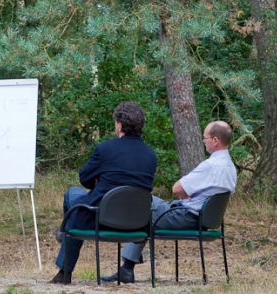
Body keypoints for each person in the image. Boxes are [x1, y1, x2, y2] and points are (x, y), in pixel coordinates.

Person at [101, 120, 237, 284]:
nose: (203, 141)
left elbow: (177, 188)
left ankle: (126, 268)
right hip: (202, 219)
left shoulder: (211, 165)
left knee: (140, 205)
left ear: (215, 140)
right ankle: (126, 269)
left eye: (205, 138)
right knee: (144, 205)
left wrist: (185, 193)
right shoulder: (229, 166)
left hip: (185, 217)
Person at [50, 102, 158, 284]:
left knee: (73, 194)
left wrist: (98, 179)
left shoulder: (105, 149)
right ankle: (65, 231)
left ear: (119, 125)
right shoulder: (151, 155)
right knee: (78, 204)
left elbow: (84, 178)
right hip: (135, 222)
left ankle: (64, 263)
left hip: (98, 218)